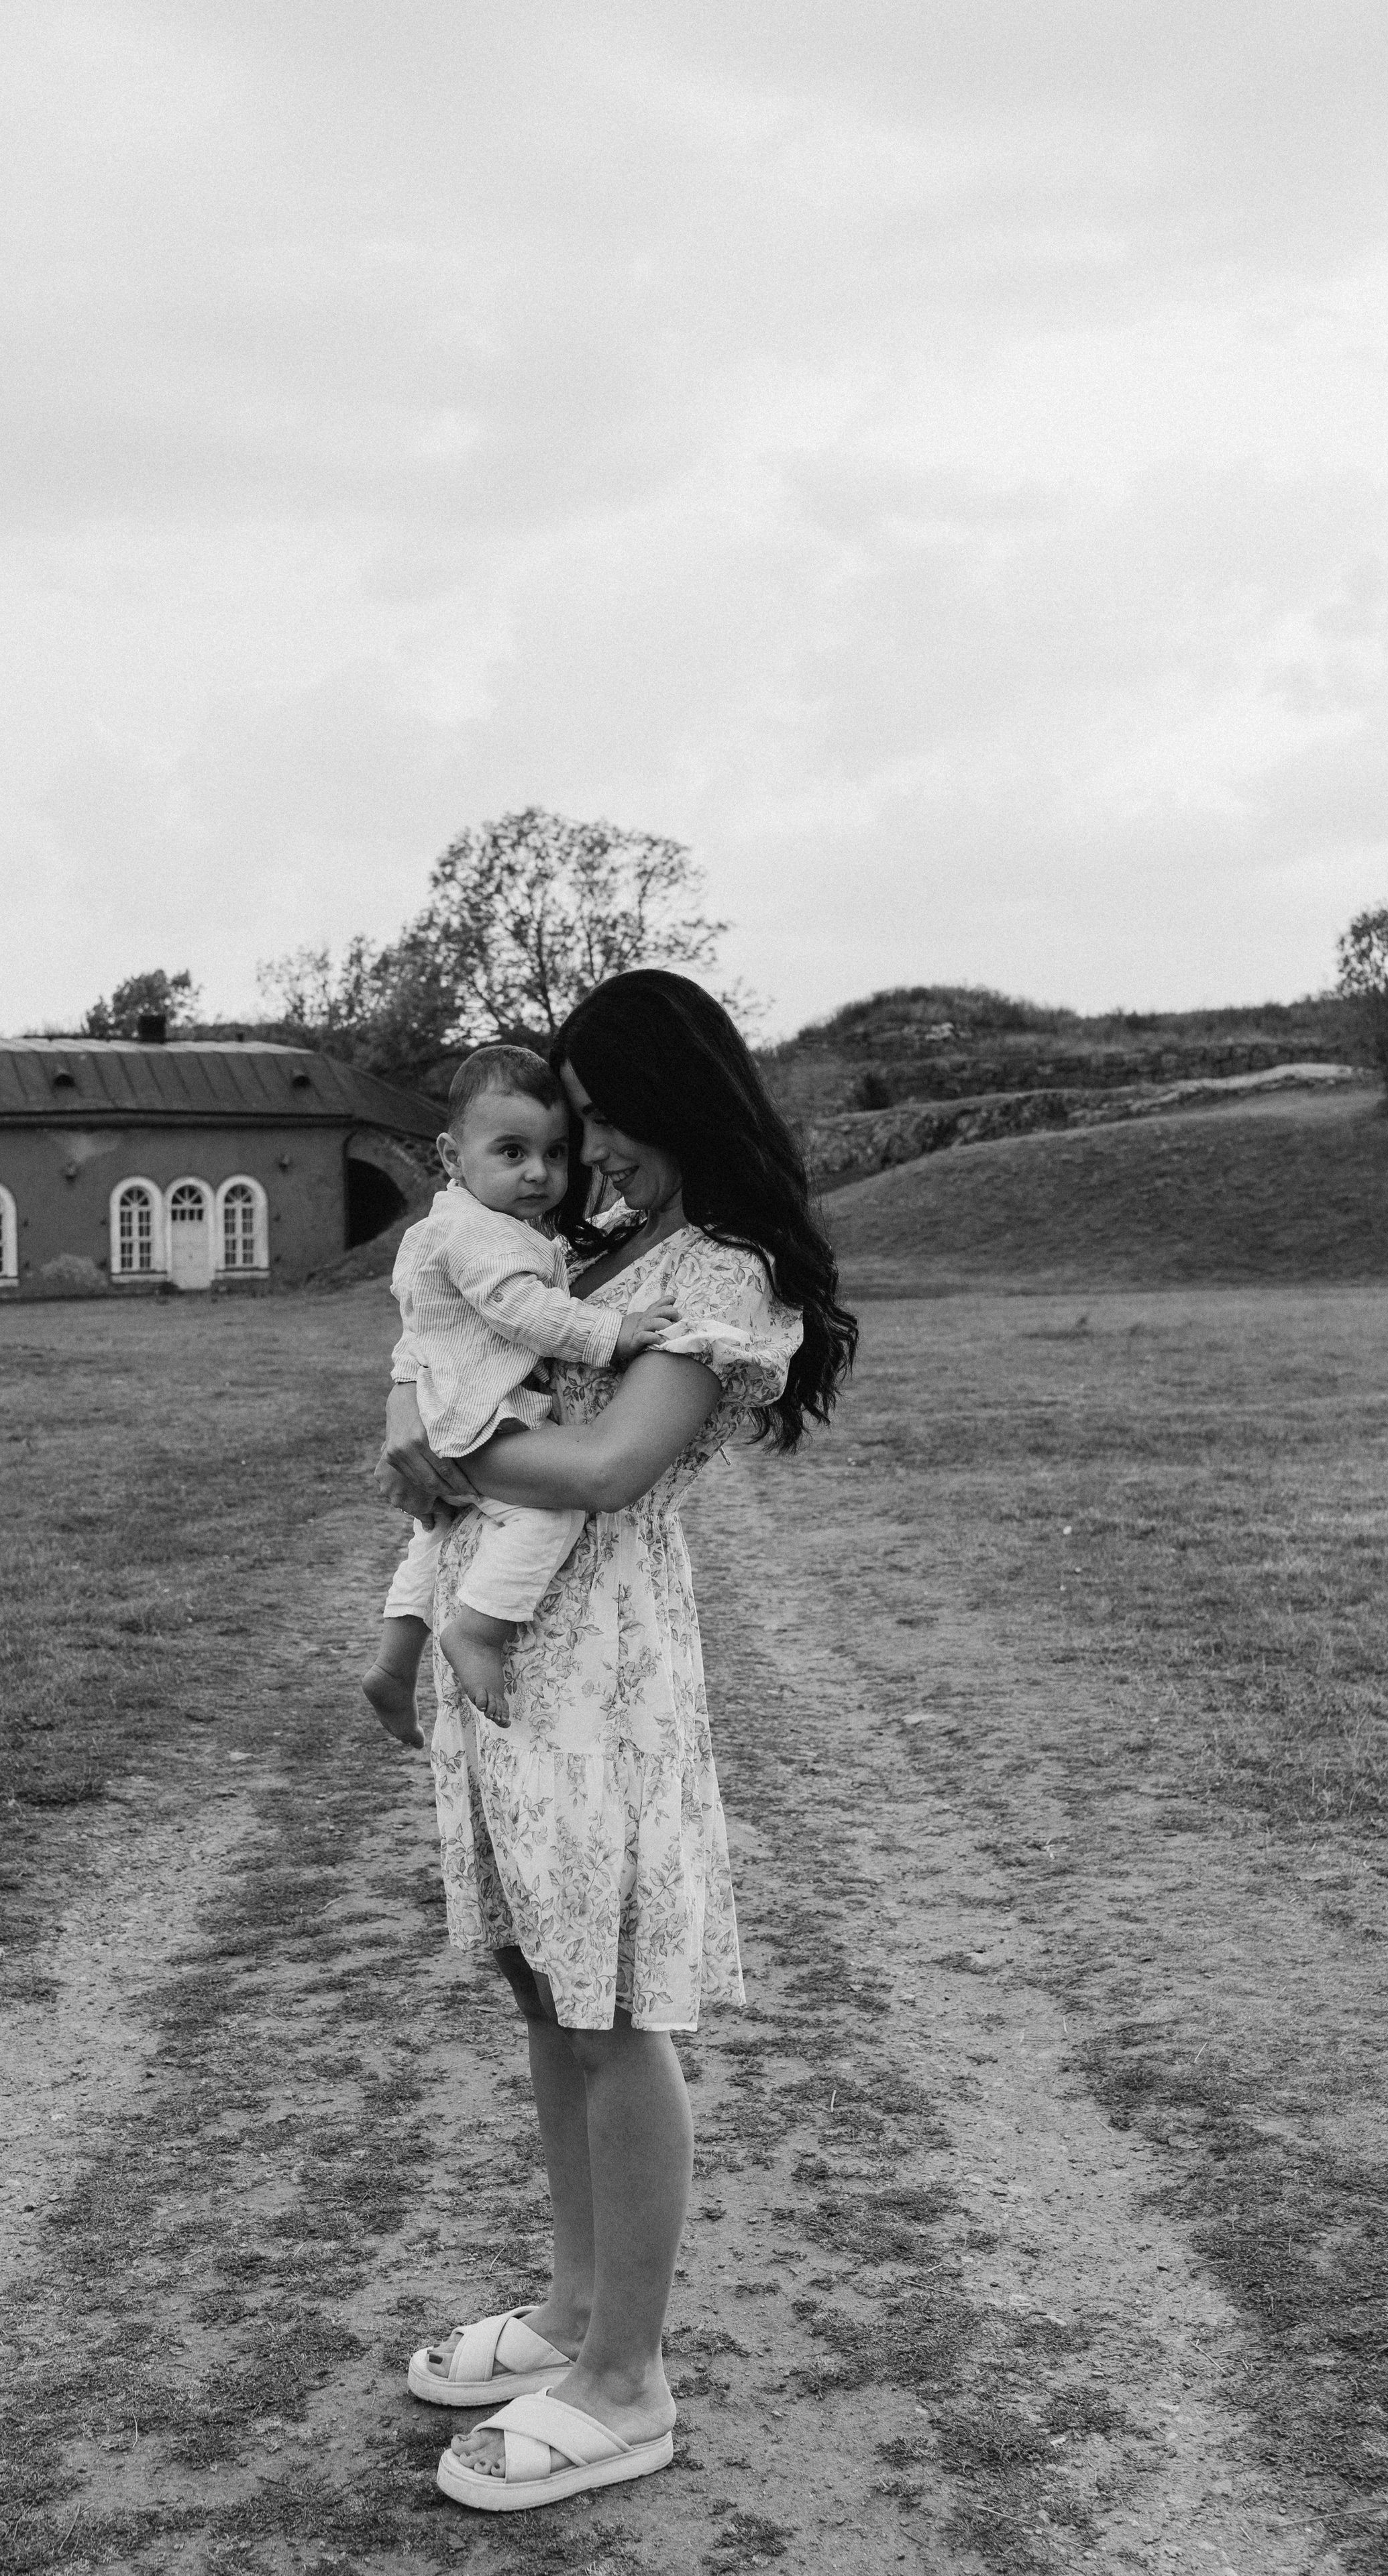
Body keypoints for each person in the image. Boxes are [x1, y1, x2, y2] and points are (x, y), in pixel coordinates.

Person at [374, 969, 857, 2514]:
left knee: (613, 2005)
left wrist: (434, 1445)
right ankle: (577, 2313)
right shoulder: (599, 1255)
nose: (590, 1156)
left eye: (606, 1122)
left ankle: (624, 2378)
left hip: (600, 1687)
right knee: (548, 1994)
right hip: (514, 1674)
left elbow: (599, 1462)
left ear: (671, 1100)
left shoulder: (719, 1276)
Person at [362, 1044, 680, 1738]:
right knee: (549, 1513)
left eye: (556, 1152)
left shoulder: (471, 1223)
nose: (539, 1172)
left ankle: (394, 1659)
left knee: (437, 1532)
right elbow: (520, 1307)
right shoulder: (480, 1234)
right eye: (511, 1152)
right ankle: (476, 1630)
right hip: (481, 1419)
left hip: (449, 1412)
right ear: (452, 1155)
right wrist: (613, 1332)